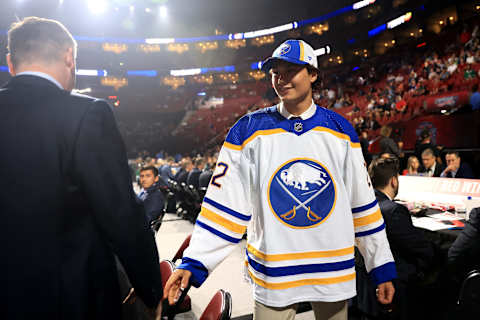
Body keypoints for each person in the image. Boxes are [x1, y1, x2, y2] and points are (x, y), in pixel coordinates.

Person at [165, 39, 396, 320]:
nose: (281, 79)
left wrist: (380, 265)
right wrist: (195, 261)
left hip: (332, 272)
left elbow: (363, 207)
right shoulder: (247, 131)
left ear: (313, 74)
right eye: (276, 72)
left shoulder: (341, 131)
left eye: (291, 70)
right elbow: (223, 208)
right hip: (274, 274)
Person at [0, 17, 162, 319]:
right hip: (72, 300)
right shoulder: (86, 113)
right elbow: (120, 213)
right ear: (69, 57)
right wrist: (150, 287)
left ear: (10, 62)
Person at [360, 157, 438, 319]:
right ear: (394, 181)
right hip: (396, 283)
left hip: (364, 283)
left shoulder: (364, 206)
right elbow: (419, 247)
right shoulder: (393, 210)